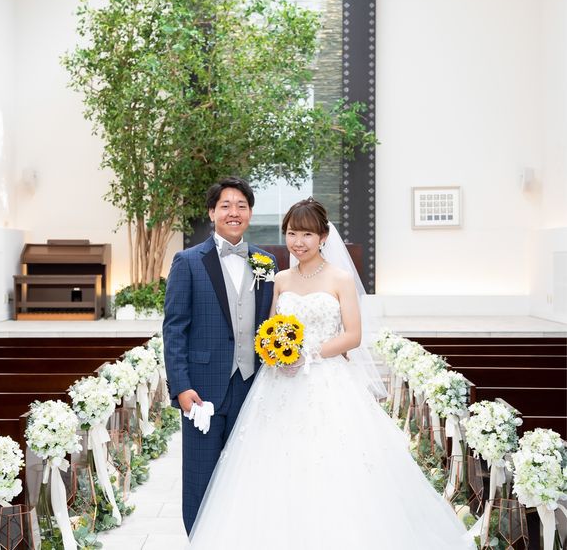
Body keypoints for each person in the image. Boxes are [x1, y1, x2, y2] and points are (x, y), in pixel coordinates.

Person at [187, 198, 475, 549]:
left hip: (327, 380)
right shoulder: (279, 279)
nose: (299, 242)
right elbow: (270, 327)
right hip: (278, 384)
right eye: (292, 233)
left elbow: (353, 335)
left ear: (323, 236)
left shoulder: (340, 279)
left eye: (307, 234)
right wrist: (276, 352)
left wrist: (307, 354)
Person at [163, 177, 277, 535]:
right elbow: (174, 329)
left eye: (241, 206)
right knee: (200, 477)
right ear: (212, 213)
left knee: (246, 476)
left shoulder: (266, 262)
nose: (234, 212)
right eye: (225, 206)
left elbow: (271, 322)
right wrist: (181, 387)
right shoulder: (188, 261)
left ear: (250, 213)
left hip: (252, 386)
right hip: (202, 390)